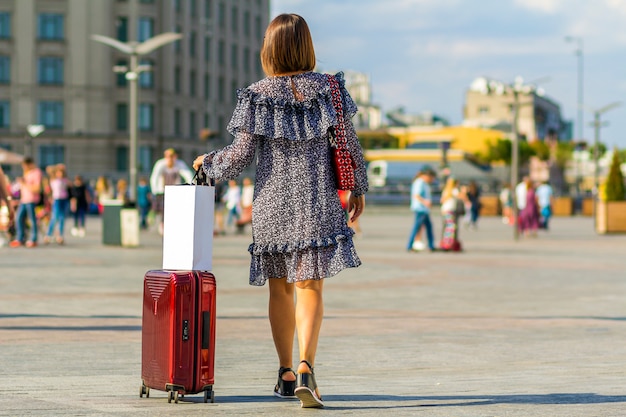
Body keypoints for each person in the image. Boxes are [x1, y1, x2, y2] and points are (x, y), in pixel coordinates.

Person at [192, 13, 367, 409]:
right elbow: (350, 144)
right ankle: (307, 367)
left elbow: (239, 157)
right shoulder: (331, 90)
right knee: (311, 286)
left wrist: (207, 163)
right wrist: (357, 187)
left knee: (280, 288)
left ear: (268, 49)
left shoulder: (257, 95)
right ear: (307, 46)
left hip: (272, 203)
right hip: (318, 199)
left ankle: (286, 373)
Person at [150, 148, 194, 235]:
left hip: (175, 191)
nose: (170, 159)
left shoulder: (179, 164)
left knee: (176, 209)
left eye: (172, 156)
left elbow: (187, 174)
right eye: (168, 156)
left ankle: (173, 225)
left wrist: (191, 186)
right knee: (163, 209)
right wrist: (154, 190)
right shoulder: (161, 164)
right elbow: (155, 177)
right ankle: (162, 225)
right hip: (162, 191)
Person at [10, 158, 43, 248]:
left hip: (31, 200)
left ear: (30, 164)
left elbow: (37, 189)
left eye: (24, 166)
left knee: (32, 220)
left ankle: (33, 239)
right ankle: (20, 238)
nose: (23, 168)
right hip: (23, 200)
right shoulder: (27, 173)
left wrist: (24, 183)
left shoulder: (37, 172)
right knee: (18, 218)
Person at [406, 167, 436, 252]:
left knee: (428, 227)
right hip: (420, 209)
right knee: (417, 227)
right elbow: (416, 195)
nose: (432, 180)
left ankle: (431, 245)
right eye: (432, 178)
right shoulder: (420, 182)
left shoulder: (424, 183)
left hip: (424, 209)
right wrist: (425, 202)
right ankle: (409, 245)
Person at [44, 164, 71, 244]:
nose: (60, 174)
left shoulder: (65, 180)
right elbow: (49, 169)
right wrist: (58, 167)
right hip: (57, 200)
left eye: (62, 173)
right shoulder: (53, 180)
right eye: (59, 173)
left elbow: (70, 184)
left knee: (62, 218)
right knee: (54, 217)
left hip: (64, 200)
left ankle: (60, 235)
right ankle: (48, 235)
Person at [439, 177, 462, 251]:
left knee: (447, 227)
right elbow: (461, 196)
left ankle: (445, 243)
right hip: (450, 211)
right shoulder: (454, 190)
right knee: (450, 228)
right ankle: (448, 244)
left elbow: (441, 200)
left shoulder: (446, 190)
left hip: (445, 210)